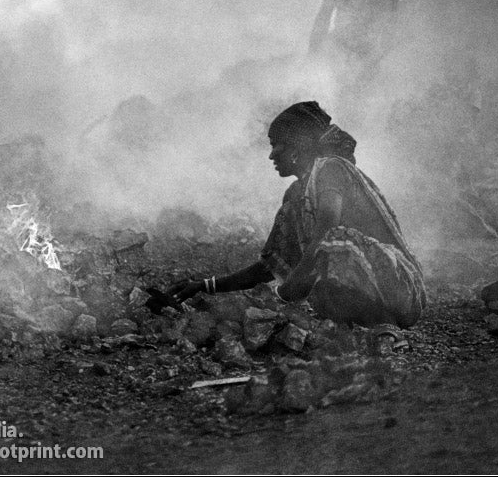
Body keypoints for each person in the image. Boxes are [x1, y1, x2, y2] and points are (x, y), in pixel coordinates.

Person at [167, 102, 426, 328]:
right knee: (314, 273)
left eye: (275, 145)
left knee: (327, 250)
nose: (271, 155)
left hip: (399, 288)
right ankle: (354, 332)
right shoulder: (295, 196)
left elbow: (327, 230)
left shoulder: (331, 169)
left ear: (295, 148)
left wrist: (288, 291)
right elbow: (269, 267)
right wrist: (204, 285)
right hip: (364, 282)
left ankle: (384, 328)